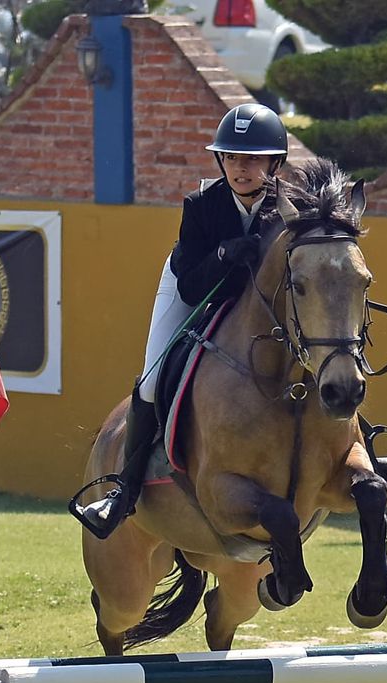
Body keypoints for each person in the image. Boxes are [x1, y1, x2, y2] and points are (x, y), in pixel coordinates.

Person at [71, 102, 289, 539]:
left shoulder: (289, 208)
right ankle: (124, 490)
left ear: (274, 163)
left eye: (252, 159)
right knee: (153, 380)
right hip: (193, 288)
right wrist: (224, 255)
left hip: (260, 307)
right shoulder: (201, 205)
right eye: (231, 157)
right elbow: (191, 287)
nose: (240, 168)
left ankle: (363, 452)